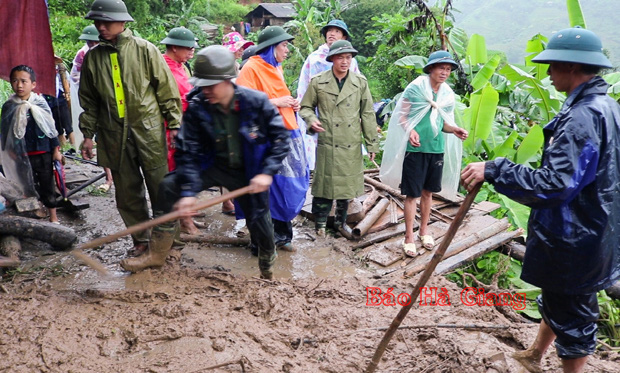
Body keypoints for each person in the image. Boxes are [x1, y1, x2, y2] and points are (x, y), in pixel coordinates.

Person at [461, 27, 620, 373]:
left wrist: (496, 169)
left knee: (574, 316)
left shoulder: (581, 118)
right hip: (595, 226)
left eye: (553, 66)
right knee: (560, 298)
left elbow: (553, 185)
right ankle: (534, 354)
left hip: (576, 234)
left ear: (573, 67)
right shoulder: (606, 106)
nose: (547, 74)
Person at [119, 45, 290, 279]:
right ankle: (158, 252)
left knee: (260, 220)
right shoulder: (198, 105)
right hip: (211, 165)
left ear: (228, 81)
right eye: (202, 85)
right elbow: (187, 151)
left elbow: (280, 140)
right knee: (170, 186)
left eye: (211, 85)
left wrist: (266, 173)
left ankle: (267, 266)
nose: (206, 90)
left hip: (248, 171)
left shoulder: (257, 103)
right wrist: (189, 192)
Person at [79, 0, 182, 256]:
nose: (100, 27)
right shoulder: (93, 59)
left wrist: (175, 125)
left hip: (148, 132)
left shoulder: (145, 50)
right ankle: (141, 240)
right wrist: (87, 136)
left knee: (161, 188)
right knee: (127, 192)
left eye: (106, 21)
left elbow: (167, 91)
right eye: (97, 22)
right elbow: (90, 102)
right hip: (113, 134)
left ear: (123, 22)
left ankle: (169, 241)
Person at [380, 50, 468, 257]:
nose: (445, 72)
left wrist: (454, 129)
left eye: (448, 69)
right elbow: (402, 116)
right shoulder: (416, 89)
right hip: (416, 150)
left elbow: (443, 123)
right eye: (441, 68)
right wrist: (411, 130)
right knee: (412, 195)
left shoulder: (446, 94)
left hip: (436, 149)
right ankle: (408, 237)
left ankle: (424, 231)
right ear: (431, 69)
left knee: (428, 193)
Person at [236, 26, 309, 252]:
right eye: (284, 45)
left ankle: (283, 235)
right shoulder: (251, 68)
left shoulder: (275, 67)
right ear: (271, 46)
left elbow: (278, 97)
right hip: (262, 139)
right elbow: (241, 103)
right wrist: (278, 102)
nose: (287, 49)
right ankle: (263, 242)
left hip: (284, 134)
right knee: (266, 190)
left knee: (287, 185)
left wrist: (291, 104)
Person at [299, 40, 379, 237]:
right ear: (332, 59)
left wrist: (371, 142)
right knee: (324, 185)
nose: (345, 61)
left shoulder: (360, 83)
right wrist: (311, 120)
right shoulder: (318, 81)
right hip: (328, 139)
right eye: (341, 57)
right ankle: (320, 226)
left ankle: (341, 223)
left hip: (350, 141)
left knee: (346, 187)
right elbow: (305, 107)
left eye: (349, 57)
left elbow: (368, 113)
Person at [0, 65, 62, 223]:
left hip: (43, 152)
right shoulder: (9, 106)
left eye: (23, 81)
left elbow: (51, 128)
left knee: (47, 184)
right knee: (25, 186)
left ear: (33, 84)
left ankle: (53, 216)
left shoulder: (40, 103)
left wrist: (56, 150)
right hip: (21, 154)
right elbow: (5, 131)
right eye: (15, 81)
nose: (19, 85)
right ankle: (32, 217)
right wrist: (9, 151)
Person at [296, 19, 360, 171]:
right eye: (329, 31)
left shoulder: (351, 61)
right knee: (320, 146)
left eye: (337, 31)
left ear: (344, 37)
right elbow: (305, 85)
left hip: (344, 111)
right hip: (320, 109)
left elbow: (357, 87)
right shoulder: (315, 59)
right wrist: (306, 112)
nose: (332, 33)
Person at [70, 24, 114, 193]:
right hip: (94, 105)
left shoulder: (109, 54)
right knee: (100, 140)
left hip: (111, 106)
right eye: (89, 42)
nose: (91, 45)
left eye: (94, 42)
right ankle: (109, 177)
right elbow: (75, 77)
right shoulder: (83, 55)